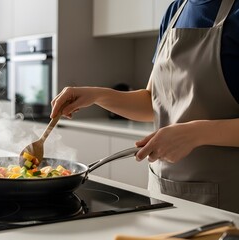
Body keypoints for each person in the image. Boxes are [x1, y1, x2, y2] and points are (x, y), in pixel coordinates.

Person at [51, 0, 239, 213]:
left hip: (226, 201)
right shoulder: (175, 10)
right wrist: (97, 95)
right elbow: (154, 101)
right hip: (163, 191)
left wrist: (196, 133)